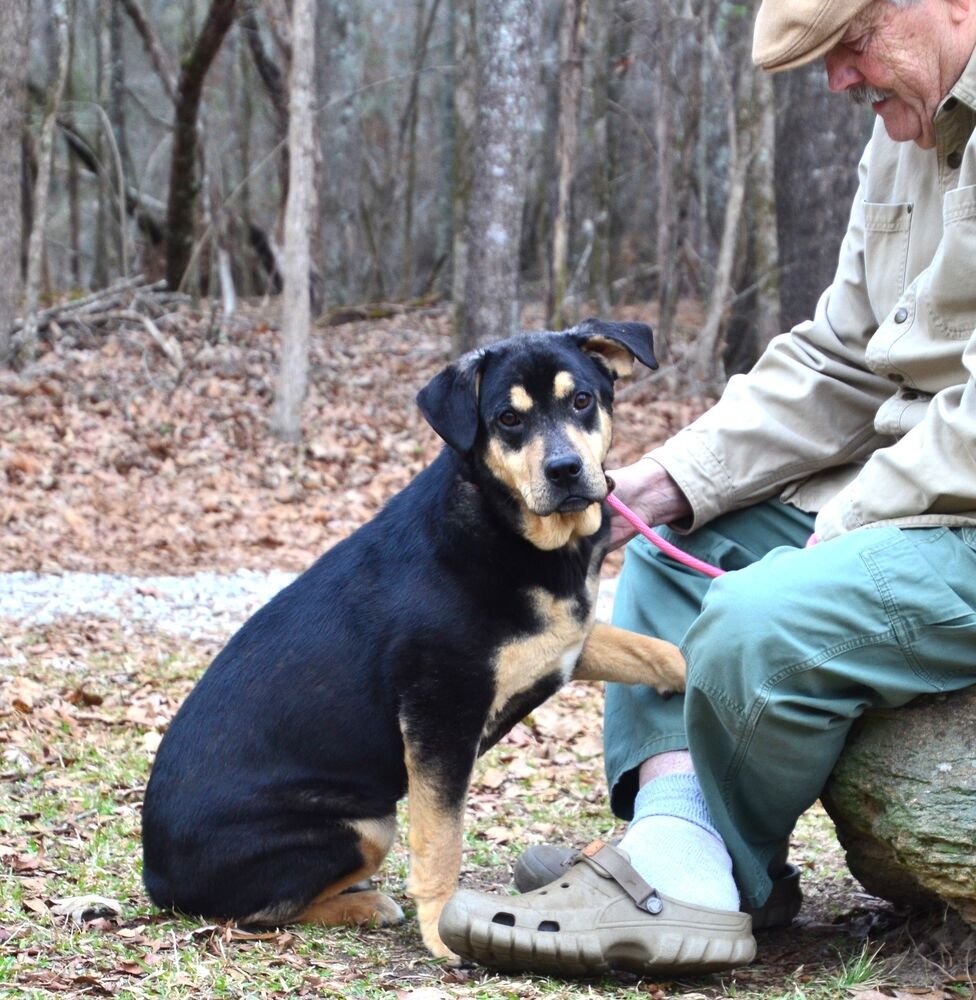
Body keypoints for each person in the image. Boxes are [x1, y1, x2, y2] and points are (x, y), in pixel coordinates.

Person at [437, 0, 976, 977]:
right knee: (672, 560)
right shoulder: (903, 131)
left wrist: (858, 514)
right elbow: (841, 361)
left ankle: (683, 876)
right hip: (916, 491)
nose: (837, 80)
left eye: (853, 45)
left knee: (756, 622)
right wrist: (671, 480)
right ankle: (686, 849)